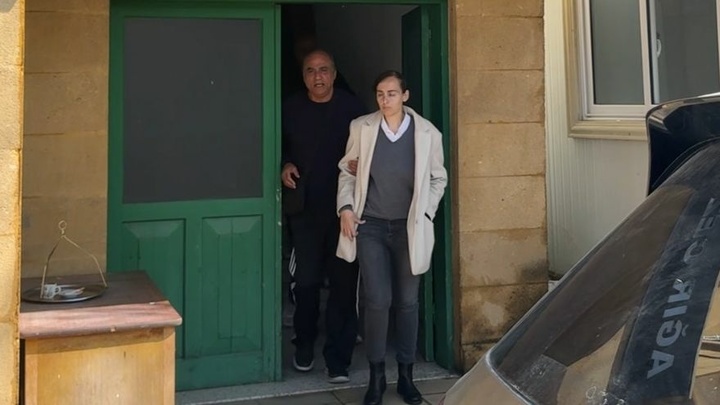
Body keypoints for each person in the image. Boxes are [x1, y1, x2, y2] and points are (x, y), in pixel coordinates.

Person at [336, 70, 447, 405]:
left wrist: (425, 213)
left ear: (405, 95)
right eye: (380, 94)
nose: (386, 100)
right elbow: (346, 171)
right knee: (377, 300)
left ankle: (406, 377)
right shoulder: (362, 127)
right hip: (370, 225)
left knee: (408, 302)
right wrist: (346, 208)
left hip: (408, 227)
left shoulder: (427, 133)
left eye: (392, 94)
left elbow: (438, 178)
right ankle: (376, 377)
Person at [281, 49, 366, 383]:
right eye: (311, 70)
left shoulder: (352, 108)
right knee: (306, 283)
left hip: (344, 212)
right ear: (303, 76)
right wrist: (284, 164)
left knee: (344, 285)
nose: (318, 76)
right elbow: (274, 145)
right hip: (304, 212)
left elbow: (369, 148)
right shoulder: (289, 108)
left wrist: (363, 163)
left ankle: (338, 360)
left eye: (324, 70)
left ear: (334, 73)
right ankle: (304, 344)